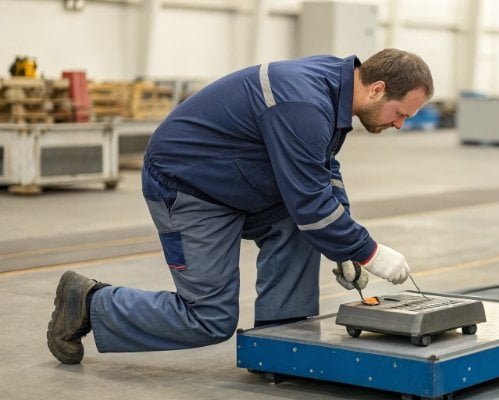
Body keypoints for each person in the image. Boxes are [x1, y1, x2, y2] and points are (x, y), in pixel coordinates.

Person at [47, 48, 434, 364]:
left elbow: (323, 168)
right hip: (190, 185)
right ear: (378, 89)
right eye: (401, 114)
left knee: (302, 228)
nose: (400, 124)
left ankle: (282, 344)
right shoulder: (303, 102)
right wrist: (368, 252)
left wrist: (344, 243)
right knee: (208, 318)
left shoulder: (335, 88)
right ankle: (88, 301)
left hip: (240, 180)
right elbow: (312, 204)